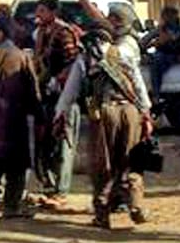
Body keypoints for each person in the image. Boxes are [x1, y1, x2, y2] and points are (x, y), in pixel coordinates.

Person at [56, 14, 153, 228]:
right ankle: (135, 205)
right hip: (130, 111)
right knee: (131, 159)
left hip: (103, 114)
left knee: (102, 164)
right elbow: (138, 85)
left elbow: (69, 92)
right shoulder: (125, 52)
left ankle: (102, 213)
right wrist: (146, 113)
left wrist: (59, 115)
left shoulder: (85, 58)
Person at [0, 15, 39, 218]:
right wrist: (38, 114)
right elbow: (33, 89)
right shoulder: (22, 56)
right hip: (16, 118)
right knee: (17, 165)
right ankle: (11, 205)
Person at [33, 0, 82, 198]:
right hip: (46, 95)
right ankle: (49, 183)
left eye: (42, 11)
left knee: (64, 141)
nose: (38, 14)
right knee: (46, 142)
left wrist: (59, 79)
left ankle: (61, 189)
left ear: (53, 12)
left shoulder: (64, 32)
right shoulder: (42, 33)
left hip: (63, 95)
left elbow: (74, 62)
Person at [142, 6, 180, 95]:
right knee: (156, 61)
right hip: (164, 55)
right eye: (167, 16)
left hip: (177, 55)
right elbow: (144, 41)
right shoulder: (161, 29)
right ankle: (156, 94)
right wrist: (152, 44)